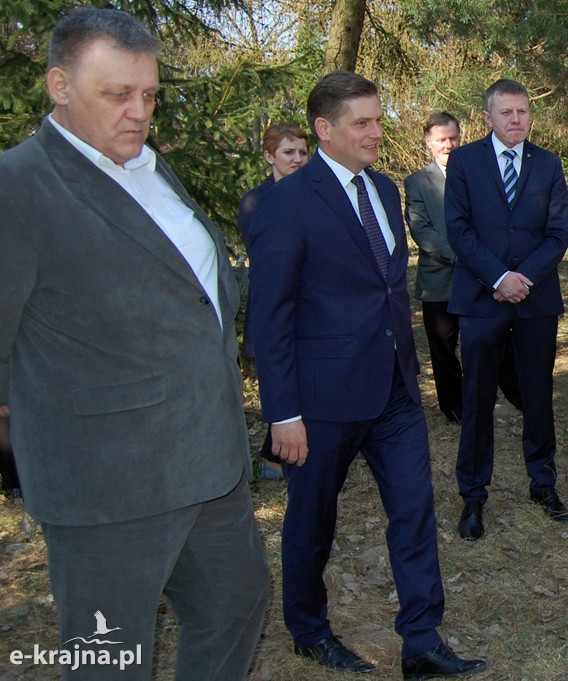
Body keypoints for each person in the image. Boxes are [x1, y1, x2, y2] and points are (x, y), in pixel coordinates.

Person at [0, 8, 270, 680]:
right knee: (110, 660)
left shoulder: (149, 167)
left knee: (237, 603)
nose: (138, 111)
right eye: (116, 94)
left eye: (148, 94)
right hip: (107, 482)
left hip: (207, 462)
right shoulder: (18, 185)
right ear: (60, 87)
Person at [248, 71, 487, 677]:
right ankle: (307, 628)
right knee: (312, 521)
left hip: (395, 391)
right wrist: (283, 413)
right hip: (322, 400)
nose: (377, 132)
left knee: (414, 510)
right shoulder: (284, 203)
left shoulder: (382, 190)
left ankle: (422, 641)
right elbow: (269, 319)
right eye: (363, 123)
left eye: (379, 120)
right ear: (324, 130)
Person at [445, 78, 568, 540]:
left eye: (523, 112)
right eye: (507, 112)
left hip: (535, 299)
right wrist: (499, 278)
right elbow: (458, 230)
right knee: (477, 398)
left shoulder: (549, 164)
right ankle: (473, 495)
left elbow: (559, 233)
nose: (516, 119)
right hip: (482, 299)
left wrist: (524, 280)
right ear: (488, 117)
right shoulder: (464, 161)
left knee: (537, 395)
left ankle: (544, 483)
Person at [404, 112, 522, 425]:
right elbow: (422, 231)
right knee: (443, 347)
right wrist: (465, 255)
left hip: (482, 278)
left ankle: (515, 394)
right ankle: (453, 405)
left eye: (453, 137)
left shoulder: (480, 173)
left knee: (490, 340)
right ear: (429, 143)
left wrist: (484, 262)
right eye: (441, 139)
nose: (448, 145)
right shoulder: (416, 182)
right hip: (440, 280)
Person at [237, 122, 310, 479]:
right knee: (283, 377)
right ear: (269, 156)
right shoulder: (256, 201)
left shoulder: (314, 194)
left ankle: (288, 453)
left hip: (312, 308)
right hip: (279, 304)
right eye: (288, 152)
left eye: (302, 152)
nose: (297, 160)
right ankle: (272, 458)